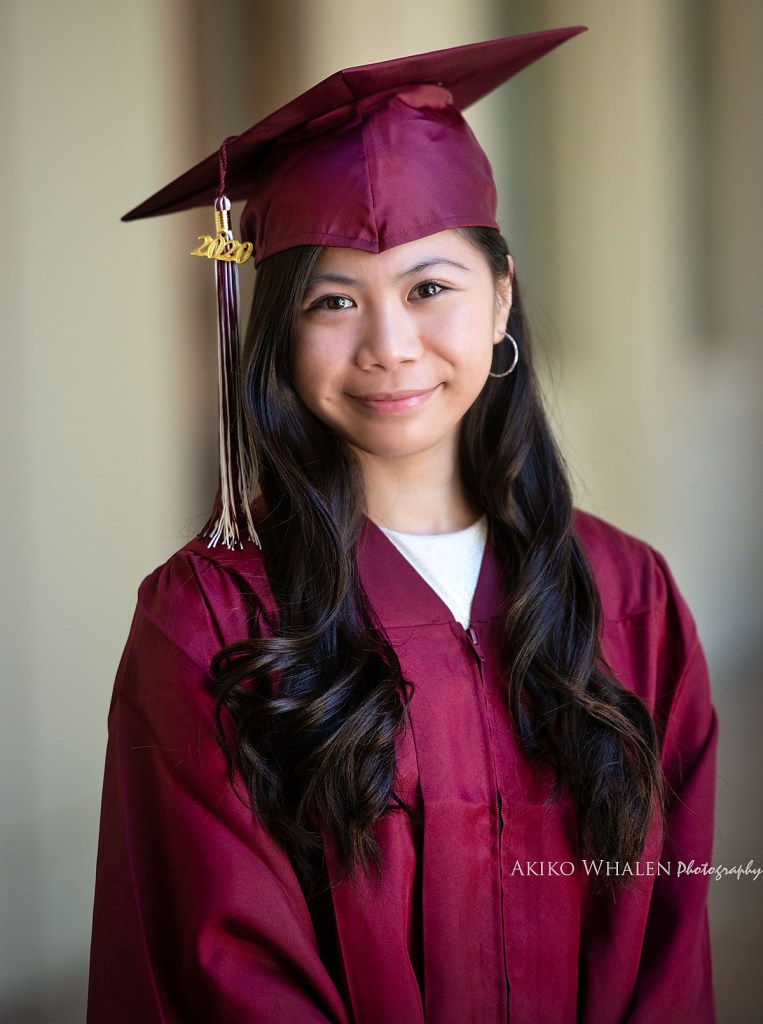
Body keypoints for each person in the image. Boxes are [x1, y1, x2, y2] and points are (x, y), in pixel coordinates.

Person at [87, 27, 717, 1024]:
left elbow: (673, 952)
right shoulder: (207, 625)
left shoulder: (629, 600)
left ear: (501, 297)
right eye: (333, 300)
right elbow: (227, 977)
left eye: (430, 288)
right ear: (280, 336)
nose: (390, 346)